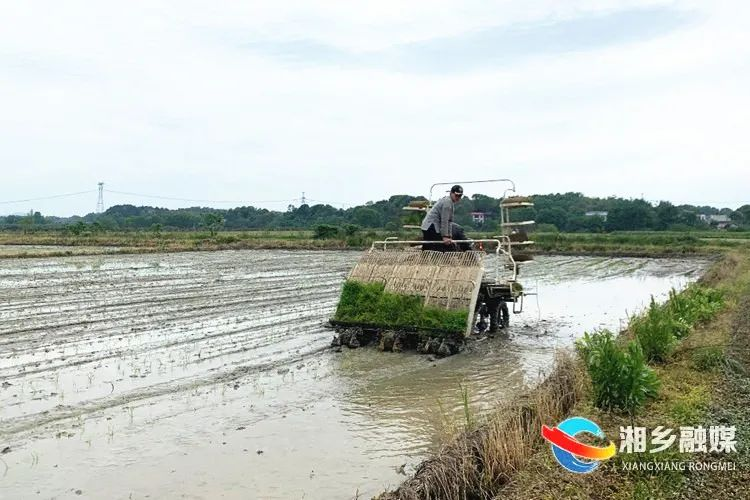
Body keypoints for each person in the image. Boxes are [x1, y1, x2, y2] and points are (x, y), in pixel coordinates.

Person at [421, 185, 463, 251]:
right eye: (456, 195)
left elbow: (449, 221)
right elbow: (445, 220)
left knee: (429, 248)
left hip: (430, 226)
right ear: (451, 193)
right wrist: (445, 236)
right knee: (439, 248)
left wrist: (449, 236)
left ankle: (423, 259)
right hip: (430, 226)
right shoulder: (447, 202)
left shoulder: (450, 202)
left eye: (460, 196)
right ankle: (424, 260)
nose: (458, 197)